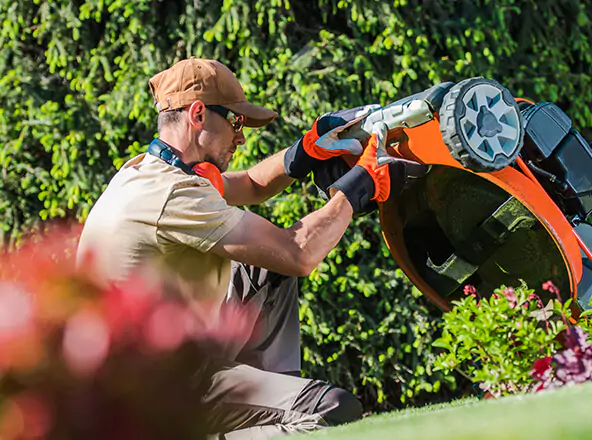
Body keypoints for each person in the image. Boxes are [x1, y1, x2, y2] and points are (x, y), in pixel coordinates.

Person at [76, 57, 422, 439]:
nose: (241, 138)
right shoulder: (171, 195)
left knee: (266, 267)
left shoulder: (146, 172)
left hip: (164, 370)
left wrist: (306, 152)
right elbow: (299, 252)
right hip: (159, 398)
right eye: (235, 122)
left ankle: (277, 399)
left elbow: (254, 185)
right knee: (331, 412)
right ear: (197, 115)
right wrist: (360, 185)